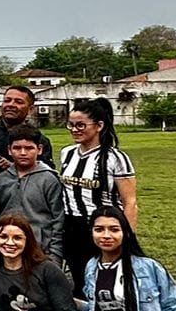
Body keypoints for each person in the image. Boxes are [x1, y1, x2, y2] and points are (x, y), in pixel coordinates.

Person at [58, 97, 139, 281]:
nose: (74, 130)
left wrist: (127, 237)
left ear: (99, 125)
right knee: (78, 277)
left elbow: (130, 202)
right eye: (70, 125)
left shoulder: (115, 158)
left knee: (104, 277)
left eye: (80, 125)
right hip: (71, 227)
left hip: (102, 227)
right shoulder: (67, 153)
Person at [0, 126, 66, 264]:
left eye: (29, 148)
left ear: (39, 149)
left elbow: (58, 219)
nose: (23, 153)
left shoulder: (49, 179)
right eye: (17, 148)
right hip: (7, 248)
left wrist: (55, 255)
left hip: (40, 250)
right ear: (9, 150)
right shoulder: (1, 179)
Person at [0, 85, 54, 169]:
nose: (11, 105)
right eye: (7, 100)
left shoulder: (40, 140)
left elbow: (47, 171)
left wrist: (13, 166)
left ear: (30, 109)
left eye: (18, 102)